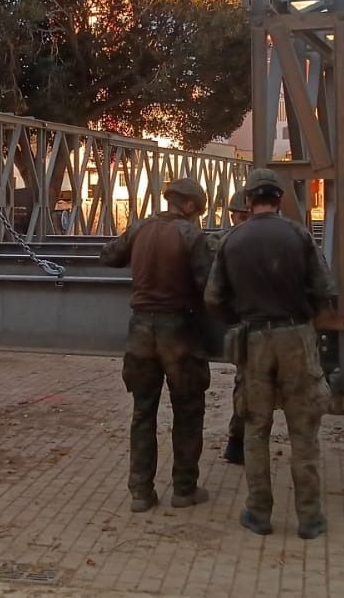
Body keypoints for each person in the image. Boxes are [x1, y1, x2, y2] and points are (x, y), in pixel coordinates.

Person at [205, 168, 335, 539]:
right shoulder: (299, 235)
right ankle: (310, 518)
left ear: (248, 200)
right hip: (296, 336)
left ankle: (259, 513)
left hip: (255, 339)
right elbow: (324, 288)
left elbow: (213, 298)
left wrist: (240, 319)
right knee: (304, 429)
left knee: (256, 427)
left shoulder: (232, 240)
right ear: (280, 200)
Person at [98, 177, 213, 513]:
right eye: (198, 212)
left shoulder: (139, 228)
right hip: (179, 331)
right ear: (190, 205)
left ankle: (141, 492)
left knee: (142, 413)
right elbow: (208, 285)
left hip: (141, 332)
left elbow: (107, 256)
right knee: (188, 411)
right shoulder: (191, 235)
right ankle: (184, 489)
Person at [209, 197, 251, 466]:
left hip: (245, 325)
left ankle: (238, 442)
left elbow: (213, 295)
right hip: (280, 327)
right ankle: (239, 442)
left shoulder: (224, 241)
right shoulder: (291, 236)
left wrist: (229, 320)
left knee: (246, 384)